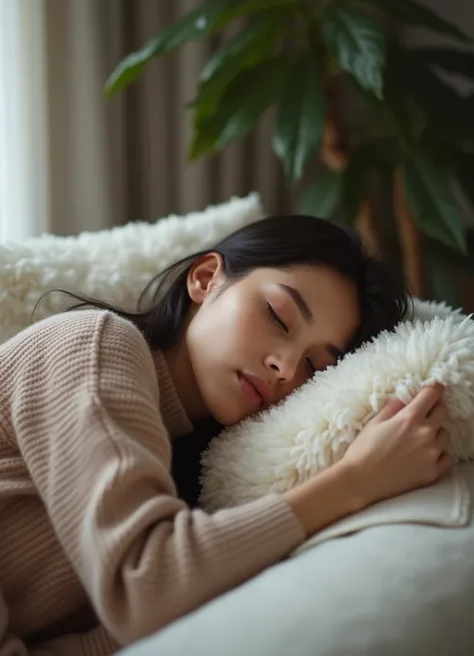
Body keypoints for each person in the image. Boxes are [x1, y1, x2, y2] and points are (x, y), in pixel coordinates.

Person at [0, 215, 451, 656]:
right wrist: (356, 480)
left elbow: (124, 626)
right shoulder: (94, 345)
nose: (287, 367)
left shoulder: (194, 479)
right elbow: (144, 585)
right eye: (278, 316)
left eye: (315, 366)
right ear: (205, 278)